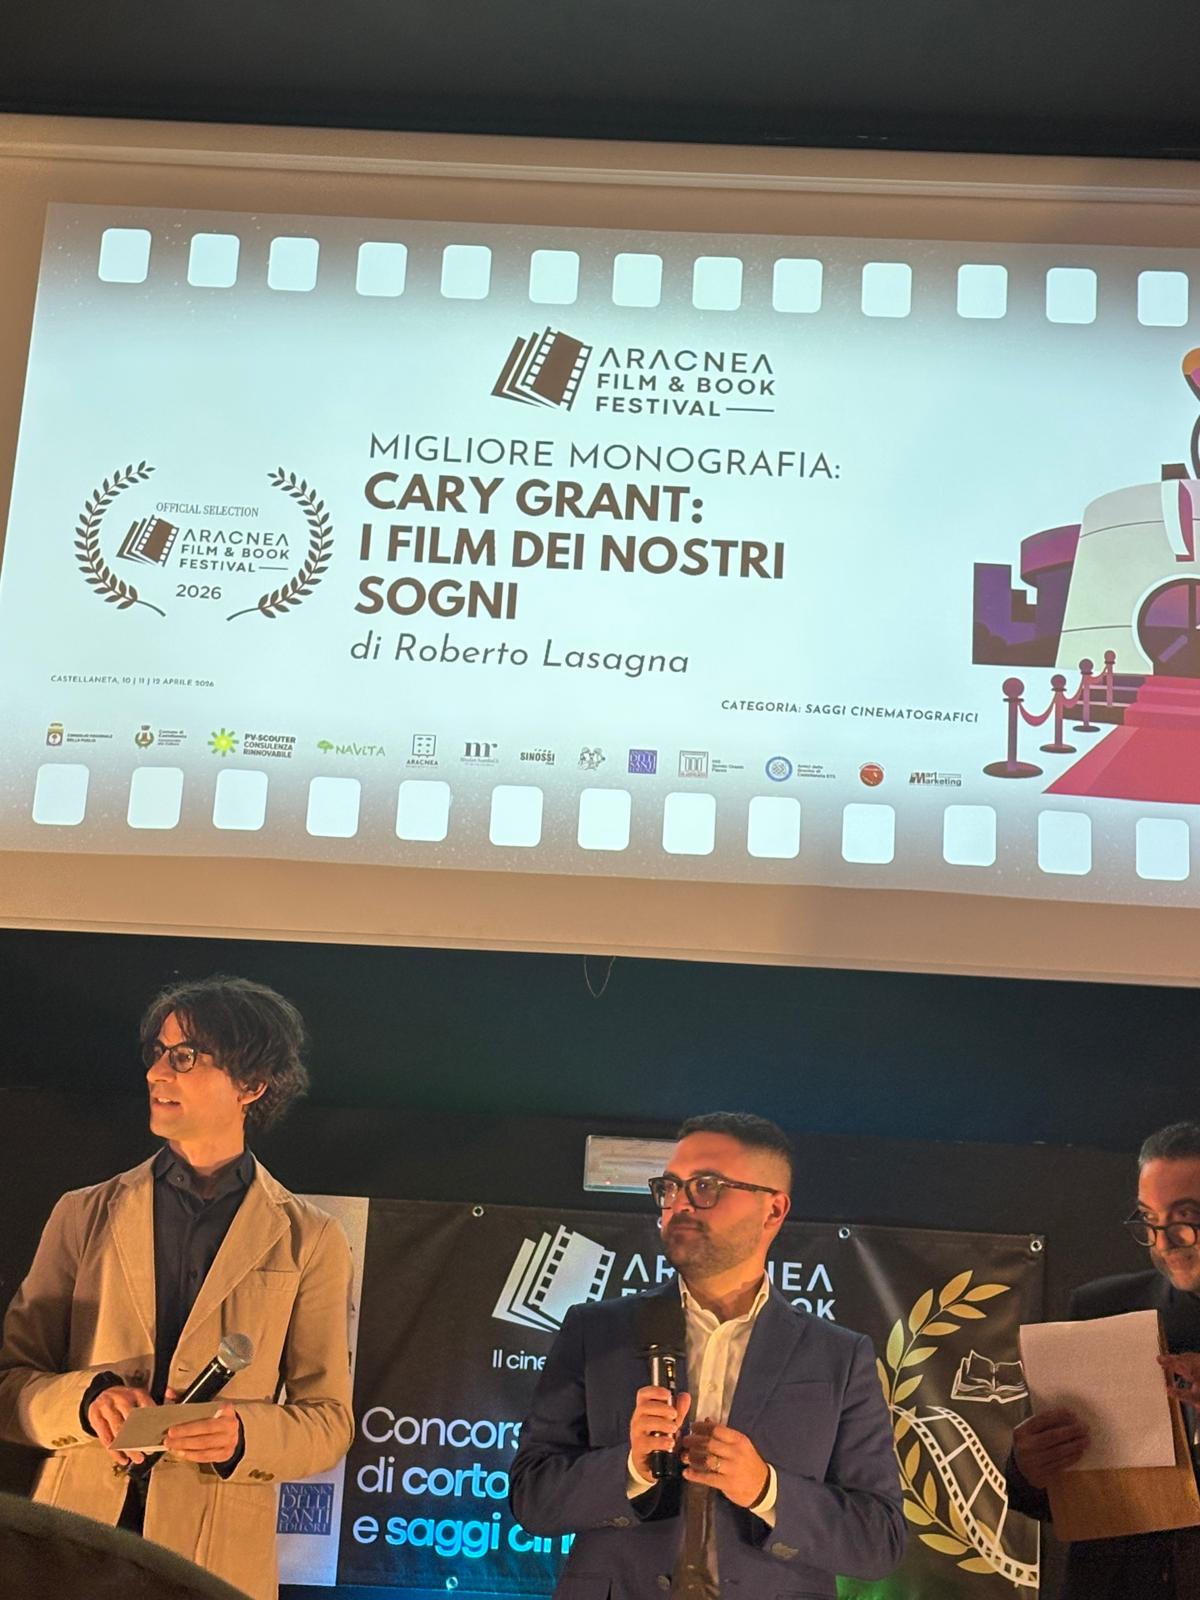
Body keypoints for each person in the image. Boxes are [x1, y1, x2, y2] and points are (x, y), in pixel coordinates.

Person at [0, 975, 354, 1600]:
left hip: (213, 1561)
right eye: (158, 1053)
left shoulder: (310, 1237)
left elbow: (328, 1422)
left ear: (251, 1085)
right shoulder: (83, 1213)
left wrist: (244, 1435)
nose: (156, 1073)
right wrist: (86, 1402)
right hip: (74, 1549)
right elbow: (10, 1384)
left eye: (185, 1056)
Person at [510, 1111, 905, 1598]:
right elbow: (532, 1499)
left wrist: (765, 1489)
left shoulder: (838, 1357)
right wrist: (630, 1468)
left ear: (773, 1210)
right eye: (669, 1187)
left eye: (705, 1187)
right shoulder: (595, 1332)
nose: (678, 1204)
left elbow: (879, 1540)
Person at [1007, 1120, 1200, 1599]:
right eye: (1149, 1219)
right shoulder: (1104, 1309)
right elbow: (1053, 1499)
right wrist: (1030, 1468)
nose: (1163, 1242)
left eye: (1185, 1216)